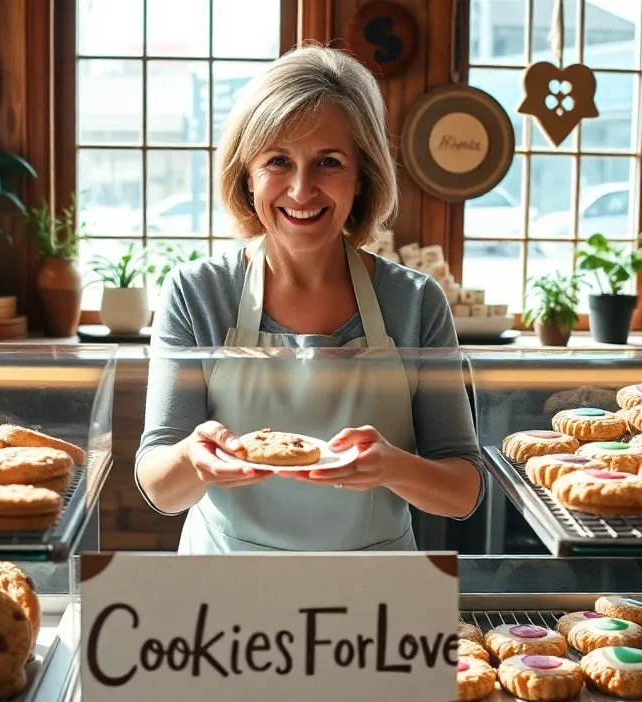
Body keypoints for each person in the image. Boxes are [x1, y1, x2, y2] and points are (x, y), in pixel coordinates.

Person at [135, 45, 483, 553]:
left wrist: (392, 466)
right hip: (222, 595)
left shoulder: (415, 301)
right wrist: (194, 458)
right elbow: (160, 489)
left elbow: (462, 492)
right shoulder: (197, 293)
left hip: (375, 600)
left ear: (362, 176)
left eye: (329, 162)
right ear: (246, 175)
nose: (301, 190)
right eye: (278, 160)